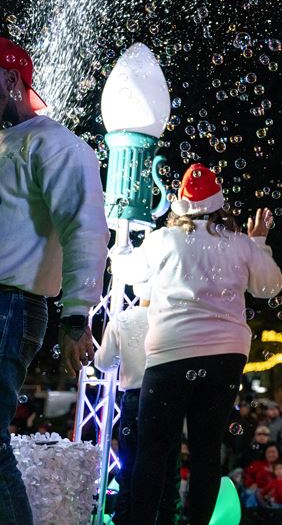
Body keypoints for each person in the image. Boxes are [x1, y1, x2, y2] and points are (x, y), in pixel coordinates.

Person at [111, 162, 282, 524]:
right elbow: (270, 287)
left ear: (180, 204)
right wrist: (258, 243)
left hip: (170, 353)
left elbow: (129, 274)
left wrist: (119, 250)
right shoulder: (239, 243)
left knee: (153, 450)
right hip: (226, 355)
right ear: (219, 204)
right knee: (207, 450)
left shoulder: (163, 240)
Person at [0, 38, 108, 524]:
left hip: (10, 305)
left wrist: (76, 315)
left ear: (9, 80)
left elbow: (84, 226)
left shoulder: (55, 143)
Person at [94, 283, 181, 525]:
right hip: (170, 398)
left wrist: (125, 358)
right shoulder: (176, 319)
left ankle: (127, 520)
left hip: (135, 399)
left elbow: (103, 362)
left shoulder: (123, 319)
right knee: (168, 471)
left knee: (130, 469)